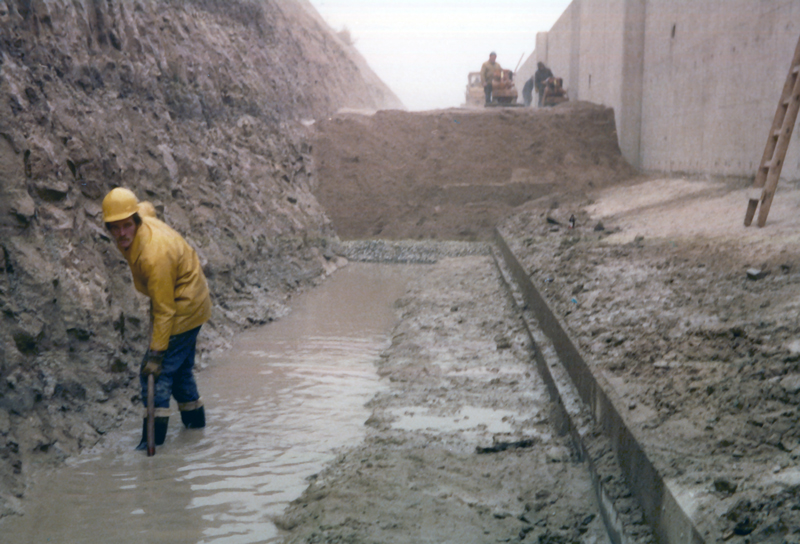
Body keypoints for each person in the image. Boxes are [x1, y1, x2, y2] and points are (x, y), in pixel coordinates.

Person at [102, 187, 211, 451]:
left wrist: (155, 354)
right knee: (181, 370)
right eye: (115, 228)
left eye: (127, 226)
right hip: (195, 298)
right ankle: (195, 427)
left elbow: (165, 311)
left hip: (184, 306)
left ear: (136, 222)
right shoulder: (141, 217)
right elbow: (148, 206)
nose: (122, 234)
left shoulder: (154, 256)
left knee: (156, 375)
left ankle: (152, 445)